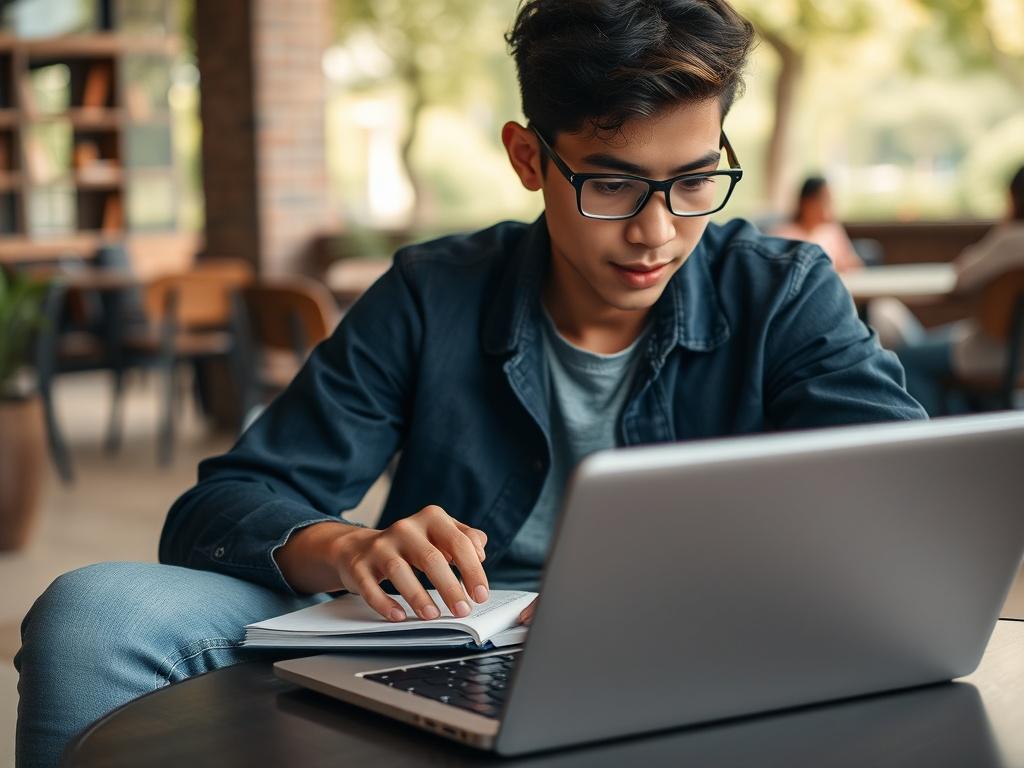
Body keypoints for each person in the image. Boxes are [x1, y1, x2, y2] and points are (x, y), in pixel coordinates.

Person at [15, 2, 926, 765]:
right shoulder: (433, 291)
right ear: (529, 159)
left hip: (701, 632)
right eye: (611, 185)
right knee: (94, 616)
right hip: (453, 637)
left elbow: (909, 499)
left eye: (694, 181)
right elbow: (219, 510)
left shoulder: (780, 292)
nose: (657, 232)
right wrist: (349, 548)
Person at [869, 164, 1024, 416]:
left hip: (991, 353)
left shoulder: (1011, 240)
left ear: (1014, 197)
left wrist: (1005, 226)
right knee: (929, 340)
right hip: (1011, 353)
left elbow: (962, 277)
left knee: (904, 360)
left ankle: (934, 429)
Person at [772, 176, 864, 273]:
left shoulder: (832, 231)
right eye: (824, 200)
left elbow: (852, 264)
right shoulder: (783, 235)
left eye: (831, 200)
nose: (830, 206)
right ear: (806, 203)